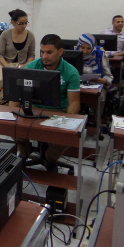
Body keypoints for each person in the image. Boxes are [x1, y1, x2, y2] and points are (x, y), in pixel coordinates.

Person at [13, 34, 81, 172]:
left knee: (70, 135)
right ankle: (25, 152)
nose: (44, 56)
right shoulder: (32, 67)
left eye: (49, 52)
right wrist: (13, 115)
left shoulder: (71, 72)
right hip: (33, 109)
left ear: (60, 52)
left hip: (58, 111)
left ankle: (50, 158)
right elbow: (16, 96)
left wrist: (69, 122)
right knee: (12, 127)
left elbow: (74, 103)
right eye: (42, 52)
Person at [76, 33, 113, 103]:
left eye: (88, 48)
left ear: (93, 47)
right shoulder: (74, 55)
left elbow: (109, 76)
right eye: (82, 48)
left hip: (96, 87)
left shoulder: (100, 55)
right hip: (78, 86)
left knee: (98, 97)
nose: (85, 51)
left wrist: (104, 81)